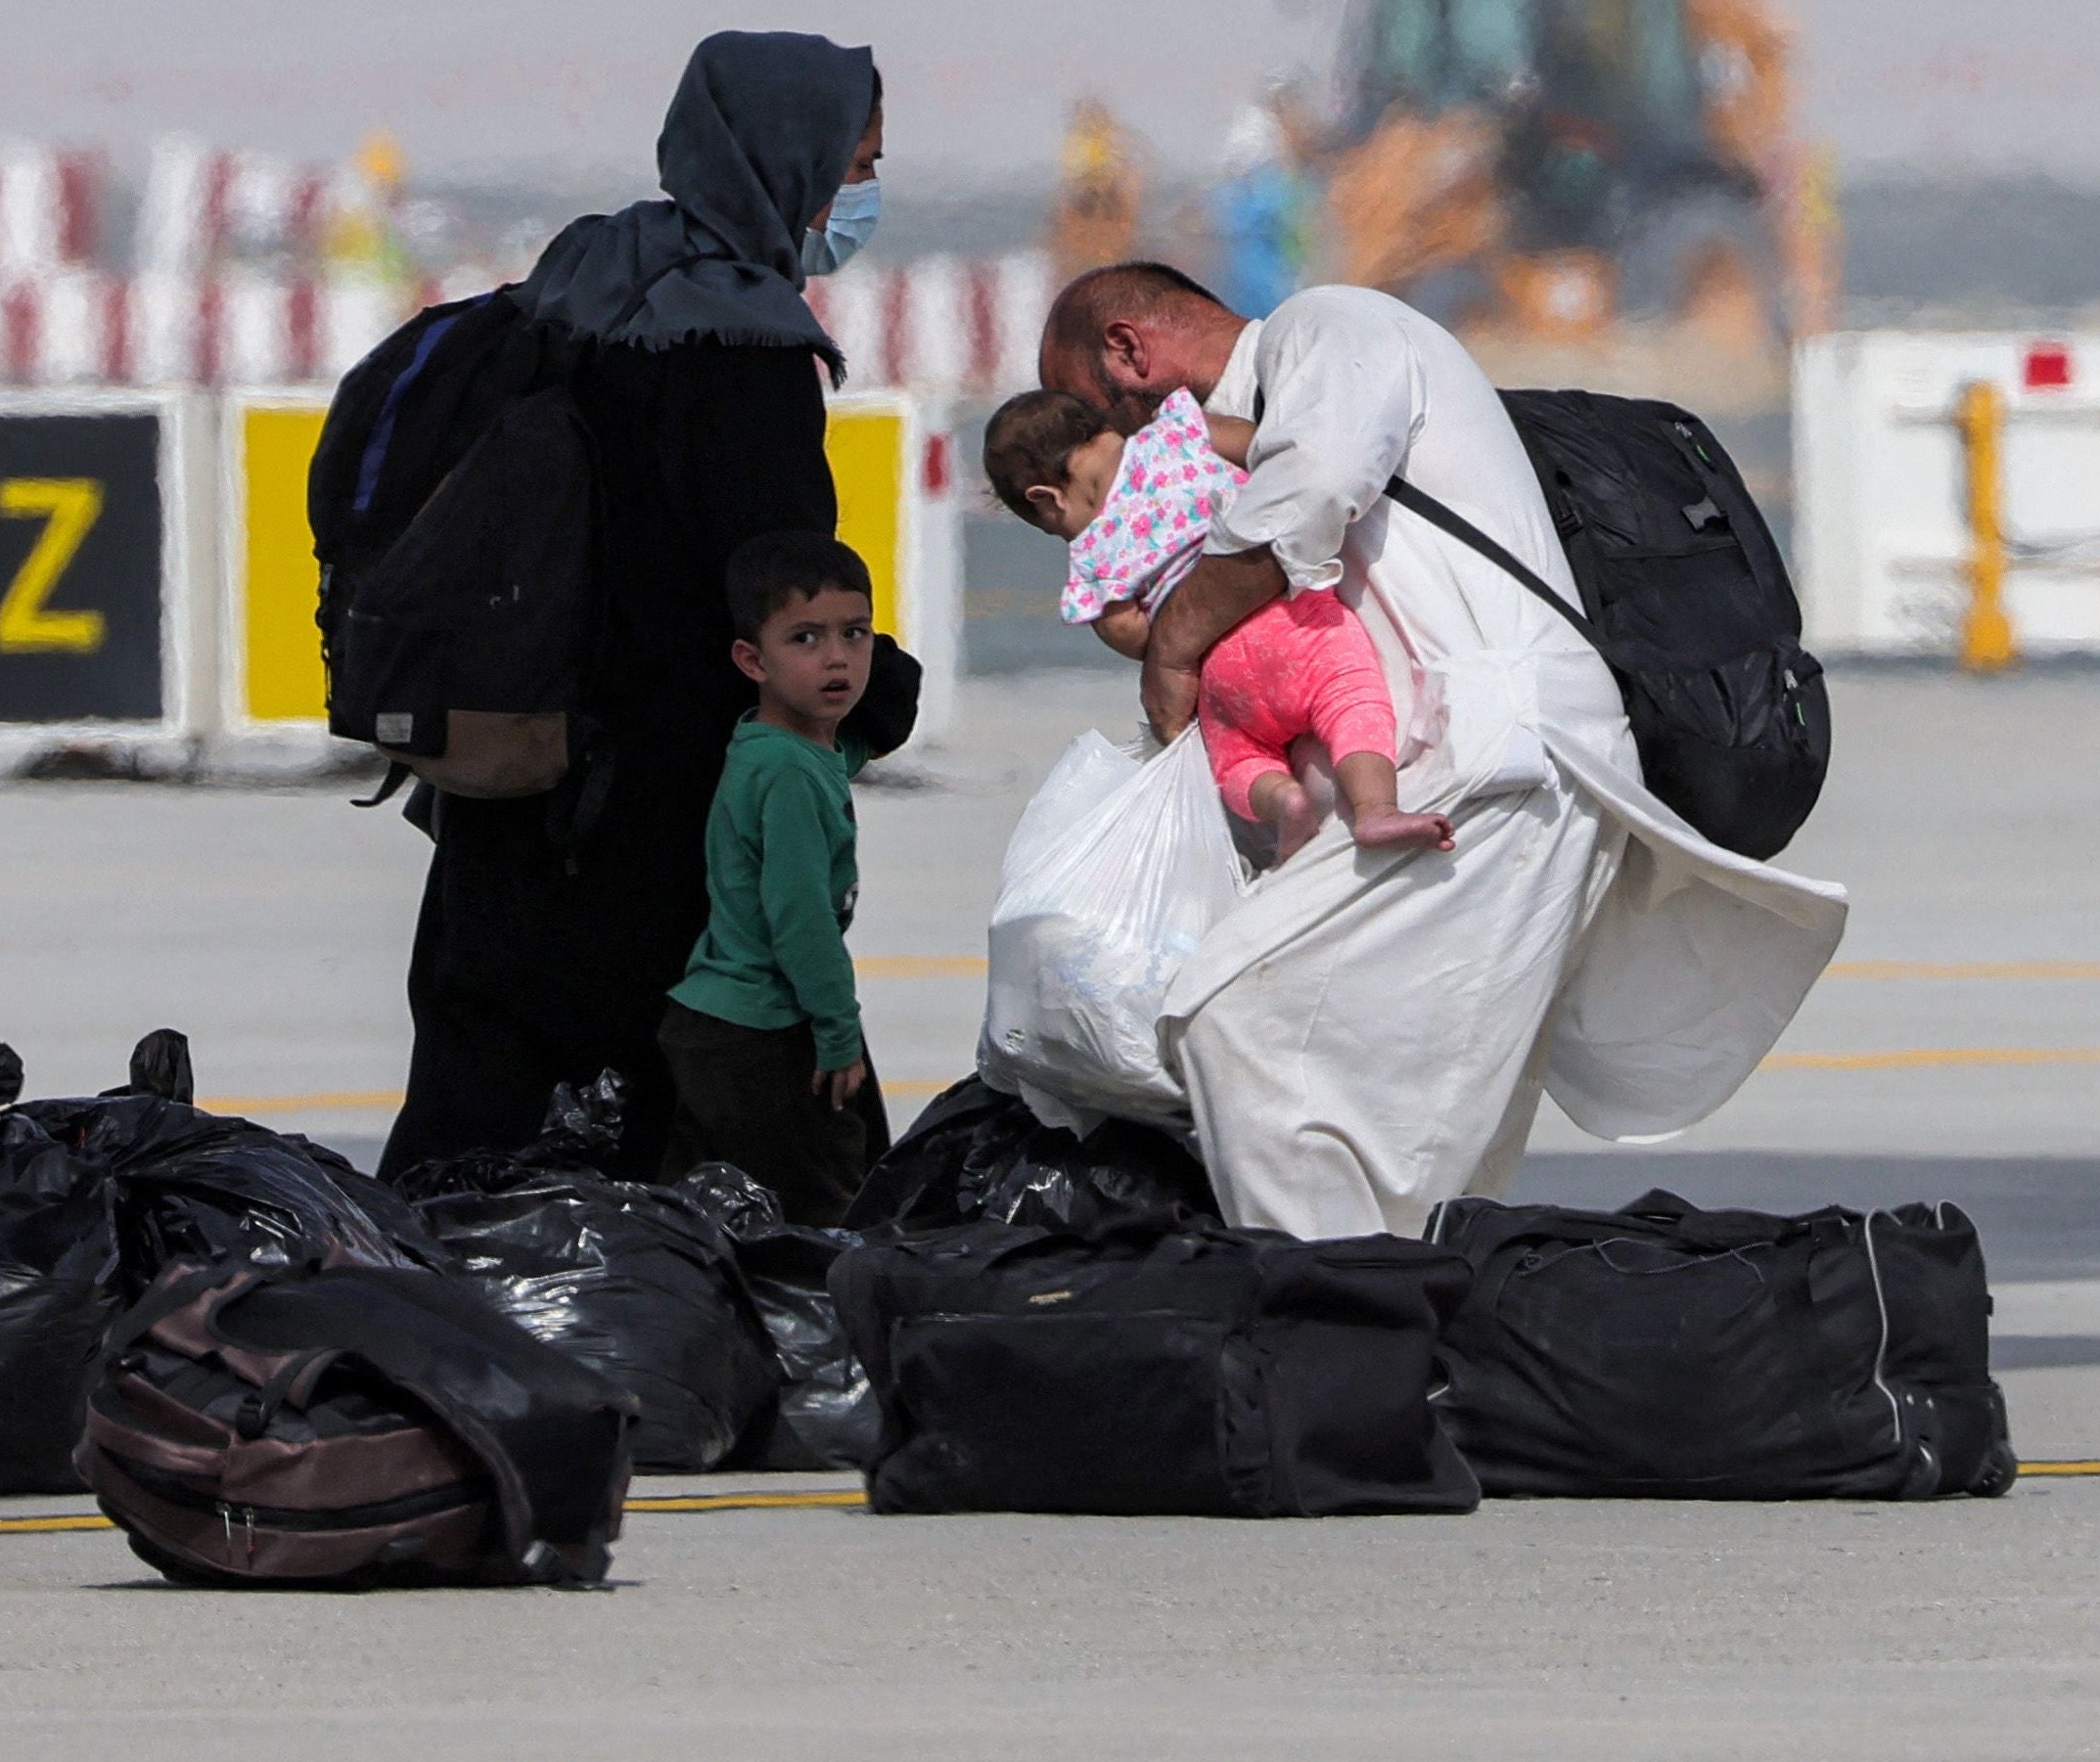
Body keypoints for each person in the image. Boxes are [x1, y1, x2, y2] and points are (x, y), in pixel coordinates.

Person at [1037, 259, 1849, 1239]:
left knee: (1235, 1017)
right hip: (1462, 771)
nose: (1114, 454)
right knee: (1410, 1110)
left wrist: (1174, 646)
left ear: (1128, 349)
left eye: (1096, 415)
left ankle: (1336, 1333)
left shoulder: (1329, 323)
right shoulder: (1246, 429)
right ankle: (1384, 1343)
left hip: (1497, 761)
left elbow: (1320, 484)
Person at [379, 31, 912, 1183]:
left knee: (462, 1165)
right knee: (716, 1183)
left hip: (502, 800)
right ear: (791, 162)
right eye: (855, 166)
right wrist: (881, 685)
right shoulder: (744, 349)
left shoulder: (578, 283)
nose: (861, 196)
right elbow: (776, 592)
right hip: (649, 841)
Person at [982, 382, 1451, 864]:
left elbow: (1143, 641)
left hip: (1223, 673)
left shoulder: (1093, 559)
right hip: (1295, 623)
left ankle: (1282, 801)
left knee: (1235, 759)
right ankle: (1376, 808)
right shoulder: (1180, 432)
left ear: (1047, 499)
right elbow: (1272, 453)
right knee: (1353, 701)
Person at [654, 532, 894, 1225]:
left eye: (855, 633)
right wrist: (838, 1031)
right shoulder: (786, 773)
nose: (836, 656)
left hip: (715, 1023)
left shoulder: (785, 748)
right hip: (761, 1032)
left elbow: (836, 755)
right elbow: (800, 919)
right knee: (821, 1209)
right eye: (805, 637)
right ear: (751, 660)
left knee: (709, 1212)